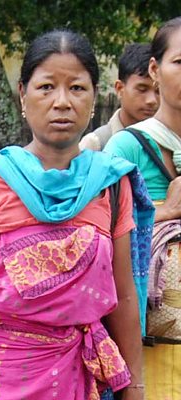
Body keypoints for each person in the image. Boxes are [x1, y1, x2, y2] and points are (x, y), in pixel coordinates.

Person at [0, 30, 155, 400]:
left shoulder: (111, 183)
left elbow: (123, 297)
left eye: (77, 88)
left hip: (78, 377)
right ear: (23, 95)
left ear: (94, 97)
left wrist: (134, 386)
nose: (62, 102)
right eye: (46, 87)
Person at [104, 16, 181, 400]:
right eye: (180, 62)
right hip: (149, 348)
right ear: (154, 69)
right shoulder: (126, 148)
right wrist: (164, 212)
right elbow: (96, 236)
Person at [80, 43, 159, 151]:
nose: (152, 100)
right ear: (120, 88)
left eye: (158, 91)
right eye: (142, 89)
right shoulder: (97, 144)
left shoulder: (169, 142)